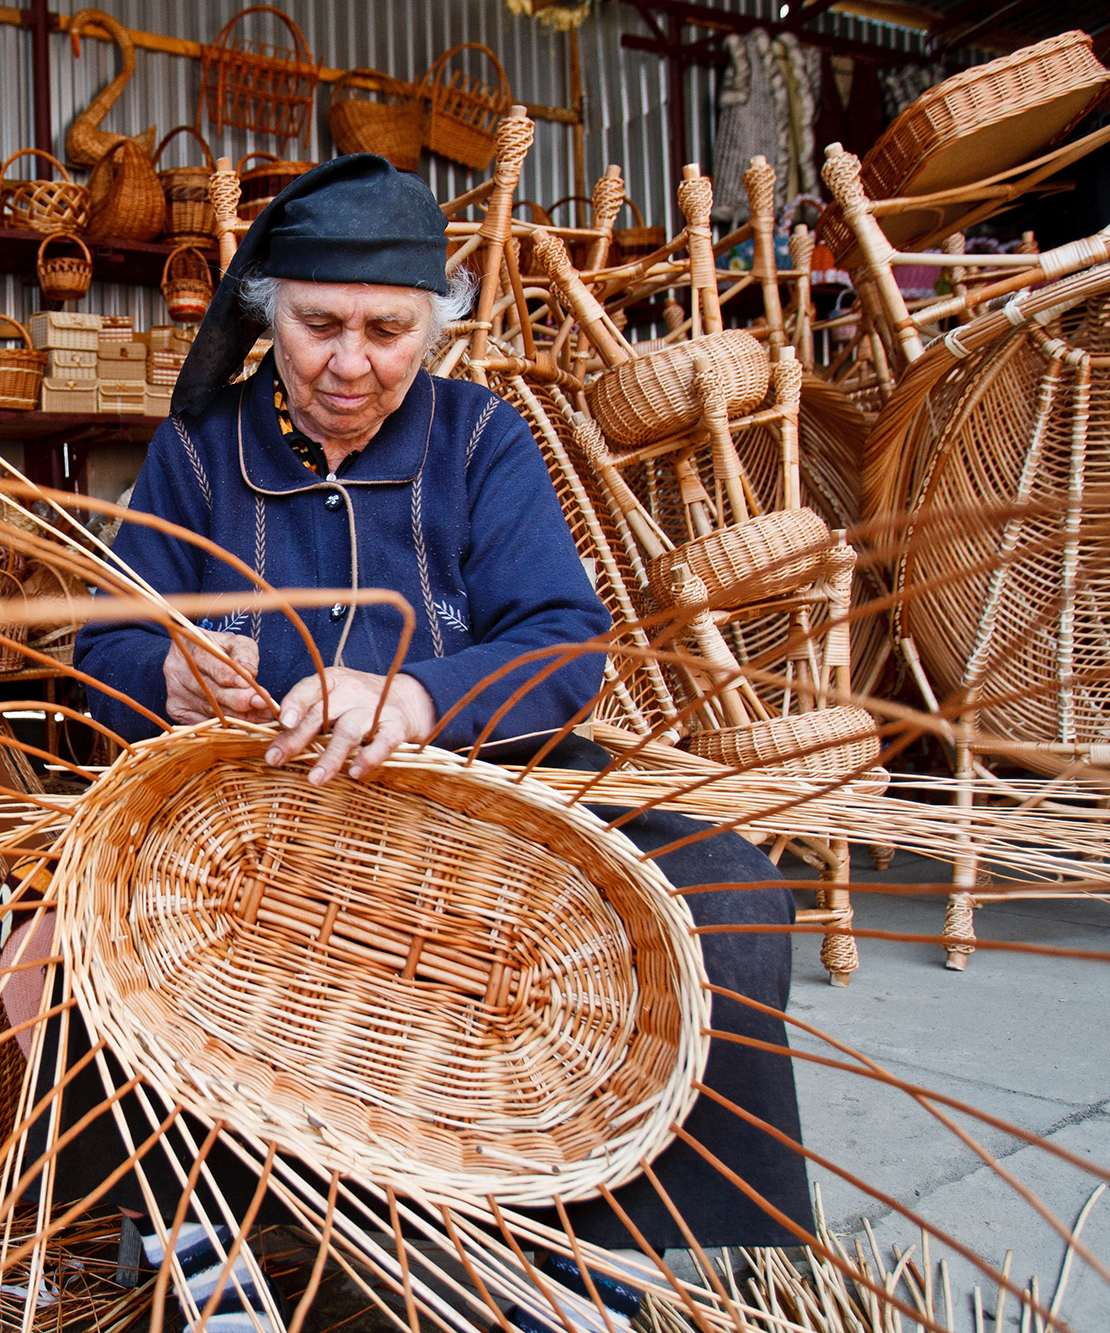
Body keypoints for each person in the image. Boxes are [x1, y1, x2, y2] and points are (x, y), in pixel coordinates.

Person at [53, 156, 810, 1324]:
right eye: (317, 326)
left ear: (431, 327)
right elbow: (95, 654)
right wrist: (168, 672)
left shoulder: (474, 440)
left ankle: (629, 1265)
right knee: (54, 941)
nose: (349, 363)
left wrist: (416, 701)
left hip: (478, 804)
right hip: (257, 824)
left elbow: (564, 643)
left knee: (725, 888)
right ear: (269, 313)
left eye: (385, 330)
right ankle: (203, 1228)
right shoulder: (200, 453)